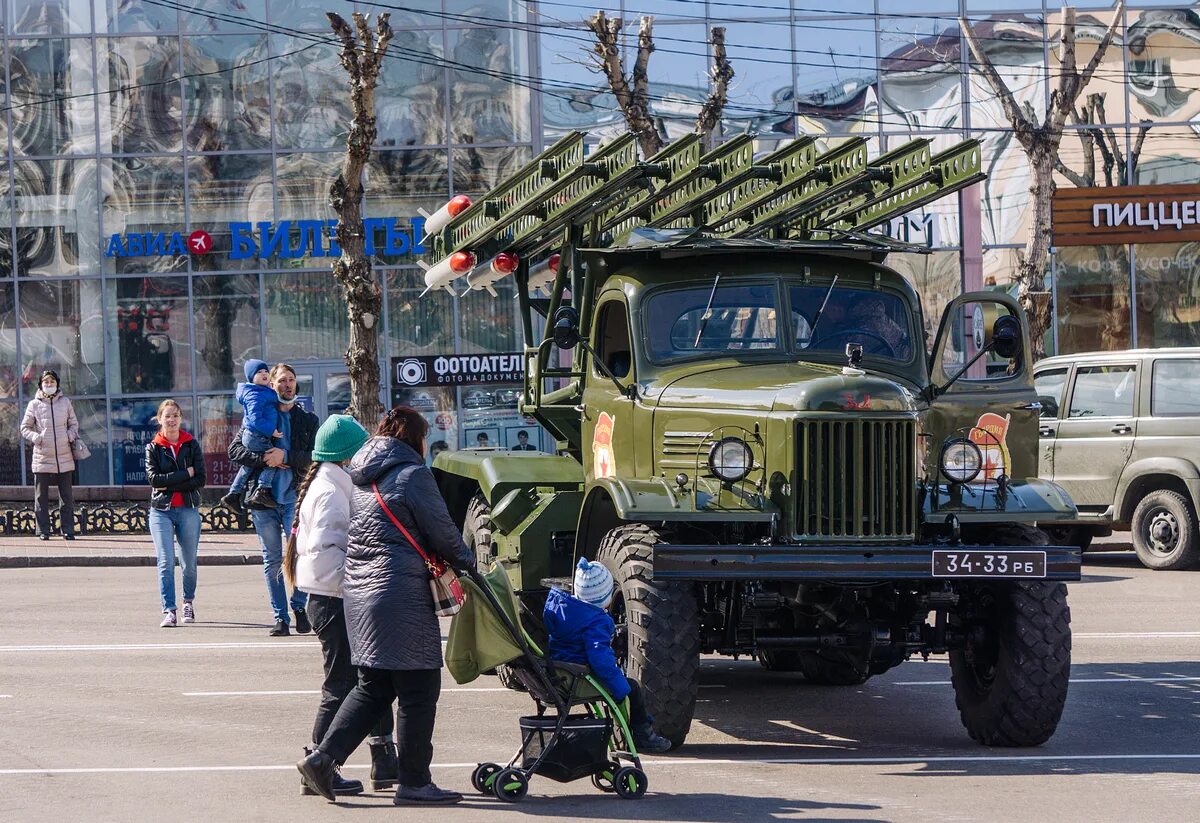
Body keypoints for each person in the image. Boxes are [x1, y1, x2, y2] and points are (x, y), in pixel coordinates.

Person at [297, 406, 472, 806]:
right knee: (419, 686)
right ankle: (414, 781)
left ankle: (322, 760)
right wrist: (471, 561)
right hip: (400, 596)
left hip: (360, 597)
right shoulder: (413, 476)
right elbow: (443, 533)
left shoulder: (359, 479)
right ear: (415, 439)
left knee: (373, 687)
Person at [283, 414, 399, 798]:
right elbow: (327, 550)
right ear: (347, 456)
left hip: (332, 596)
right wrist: (359, 584)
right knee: (344, 684)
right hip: (335, 597)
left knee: (374, 676)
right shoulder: (333, 491)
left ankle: (382, 760)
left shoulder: (331, 482)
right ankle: (317, 764)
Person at [543, 558, 672, 753]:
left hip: (561, 672)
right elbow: (600, 660)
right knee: (633, 689)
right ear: (605, 597)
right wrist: (620, 689)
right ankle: (643, 735)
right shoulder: (596, 621)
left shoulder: (562, 610)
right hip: (578, 677)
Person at [228, 363, 319, 637]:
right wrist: (264, 459)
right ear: (272, 385)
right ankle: (280, 617)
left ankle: (300, 608)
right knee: (271, 560)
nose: (287, 385)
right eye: (282, 380)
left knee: (300, 556)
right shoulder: (260, 415)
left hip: (295, 497)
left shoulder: (308, 420)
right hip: (262, 499)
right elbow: (235, 449)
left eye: (291, 380)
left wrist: (286, 458)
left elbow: (316, 456)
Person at [144, 399, 206, 628]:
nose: (171, 420)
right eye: (167, 416)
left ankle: (188, 602)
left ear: (181, 419)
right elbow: (154, 480)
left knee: (188, 562)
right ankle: (169, 610)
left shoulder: (191, 444)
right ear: (159, 419)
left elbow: (200, 479)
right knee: (166, 561)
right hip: (161, 511)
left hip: (188, 509)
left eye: (175, 416)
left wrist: (171, 482)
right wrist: (185, 474)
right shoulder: (153, 447)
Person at [20, 369, 79, 541]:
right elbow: (25, 428)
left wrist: (69, 435)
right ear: (41, 384)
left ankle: (67, 530)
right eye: (46, 382)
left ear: (57, 384)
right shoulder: (34, 404)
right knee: (41, 497)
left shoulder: (65, 402)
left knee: (66, 497)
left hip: (64, 456)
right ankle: (43, 530)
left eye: (52, 381)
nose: (49, 384)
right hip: (42, 457)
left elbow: (74, 424)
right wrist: (37, 438)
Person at [222, 359, 284, 512]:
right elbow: (255, 418)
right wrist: (271, 430)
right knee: (272, 459)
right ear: (251, 378)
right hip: (257, 436)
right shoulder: (254, 394)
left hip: (253, 435)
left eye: (265, 371)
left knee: (248, 466)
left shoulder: (260, 391)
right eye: (259, 372)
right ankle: (263, 490)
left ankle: (233, 494)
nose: (264, 374)